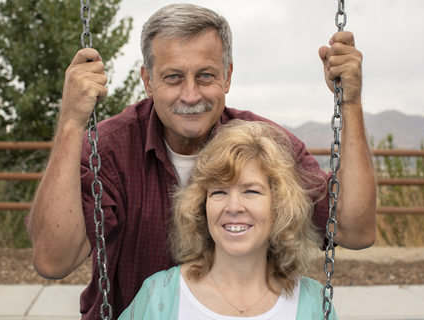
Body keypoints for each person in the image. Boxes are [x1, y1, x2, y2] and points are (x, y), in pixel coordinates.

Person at [26, 3, 375, 319]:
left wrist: (351, 103)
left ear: (227, 76)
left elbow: (354, 231)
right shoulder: (110, 148)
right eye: (173, 77)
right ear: (148, 80)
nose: (190, 95)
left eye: (205, 75)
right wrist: (72, 121)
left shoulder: (265, 147)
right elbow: (53, 260)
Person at [119, 120, 338, 319]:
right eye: (219, 192)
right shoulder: (160, 296)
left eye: (251, 191)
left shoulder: (313, 303)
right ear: (201, 207)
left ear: (279, 205)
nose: (233, 207)